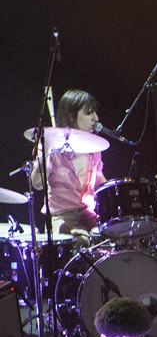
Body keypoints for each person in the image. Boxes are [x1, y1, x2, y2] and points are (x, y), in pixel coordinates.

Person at [29, 87, 106, 236]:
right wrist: (46, 152)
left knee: (112, 236)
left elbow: (99, 179)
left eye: (95, 112)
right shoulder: (51, 145)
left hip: (89, 214)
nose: (95, 118)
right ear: (71, 116)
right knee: (81, 240)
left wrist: (115, 196)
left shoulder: (94, 146)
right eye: (88, 113)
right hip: (62, 217)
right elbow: (37, 184)